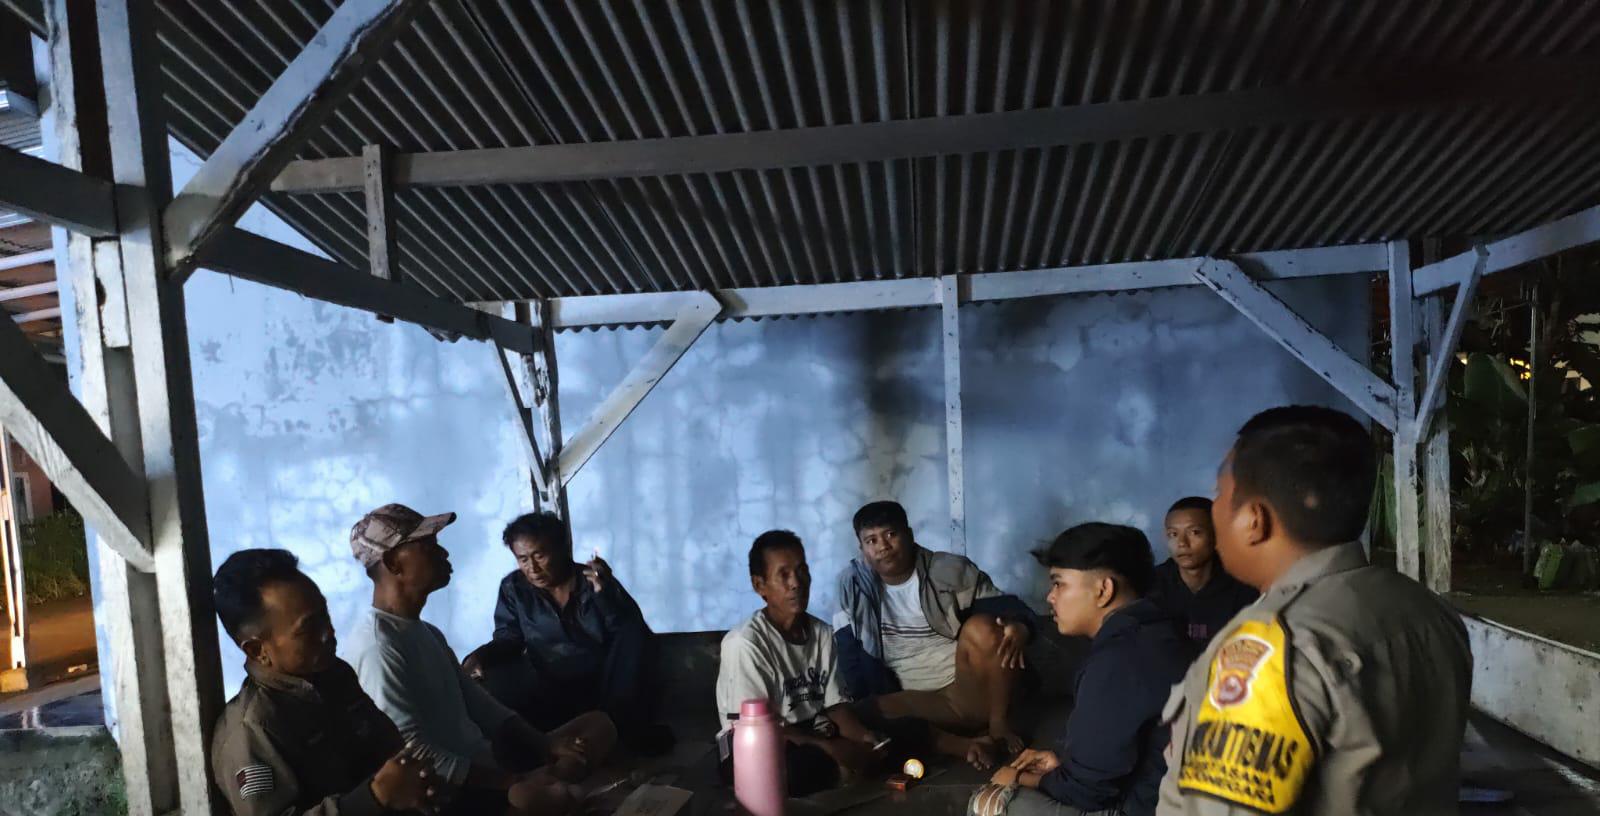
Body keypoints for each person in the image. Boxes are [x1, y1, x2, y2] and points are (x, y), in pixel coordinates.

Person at [1158, 406, 1472, 815]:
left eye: (1220, 494)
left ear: (1254, 520)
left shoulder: (1272, 649)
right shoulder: (1426, 609)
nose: (1215, 508)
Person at [341, 503, 616, 816]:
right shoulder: (378, 646)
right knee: (545, 797)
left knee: (598, 725)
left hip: (490, 766)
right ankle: (548, 790)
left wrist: (545, 744)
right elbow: (411, 752)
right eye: (428, 546)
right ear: (394, 562)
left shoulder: (426, 632)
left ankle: (550, 785)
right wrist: (511, 783)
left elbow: (482, 706)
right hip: (454, 793)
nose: (444, 553)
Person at [970, 523, 1190, 816]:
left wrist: (1019, 777)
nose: (1050, 597)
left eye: (1059, 583)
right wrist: (1064, 764)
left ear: (1103, 590)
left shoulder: (1118, 660)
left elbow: (1088, 792)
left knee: (989, 802)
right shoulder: (1157, 630)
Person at [209, 548, 444, 816]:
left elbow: (390, 749)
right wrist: (374, 798)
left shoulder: (334, 675)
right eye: (308, 628)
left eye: (325, 615)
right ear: (257, 650)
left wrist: (419, 784)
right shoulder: (252, 731)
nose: (328, 633)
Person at [834, 500, 1036, 767]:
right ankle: (966, 744)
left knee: (983, 628)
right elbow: (848, 653)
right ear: (862, 549)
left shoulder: (949, 570)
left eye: (891, 534)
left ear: (909, 535)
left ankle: (999, 725)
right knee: (858, 715)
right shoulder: (853, 585)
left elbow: (1006, 607)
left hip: (969, 690)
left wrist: (1021, 626)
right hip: (918, 703)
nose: (883, 546)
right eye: (871, 540)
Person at [470, 511, 670, 755]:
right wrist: (480, 656)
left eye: (539, 556)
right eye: (523, 559)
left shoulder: (594, 582)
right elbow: (509, 638)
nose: (532, 568)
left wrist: (604, 595)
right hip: (552, 686)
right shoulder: (514, 589)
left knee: (633, 633)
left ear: (562, 549)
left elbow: (629, 634)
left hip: (607, 685)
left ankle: (622, 730)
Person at [715, 530, 890, 795]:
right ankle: (842, 770)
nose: (796, 583)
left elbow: (835, 706)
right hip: (758, 743)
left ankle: (848, 766)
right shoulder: (745, 644)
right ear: (760, 585)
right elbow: (756, 731)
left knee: (891, 735)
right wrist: (833, 749)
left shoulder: (822, 633)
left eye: (801, 571)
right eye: (783, 575)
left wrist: (864, 737)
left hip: (814, 732)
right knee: (789, 771)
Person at [1148, 497, 1257, 651]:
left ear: (1217, 535)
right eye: (1173, 534)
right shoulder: (1151, 584)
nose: (1182, 543)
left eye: (1194, 532)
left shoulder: (1244, 584)